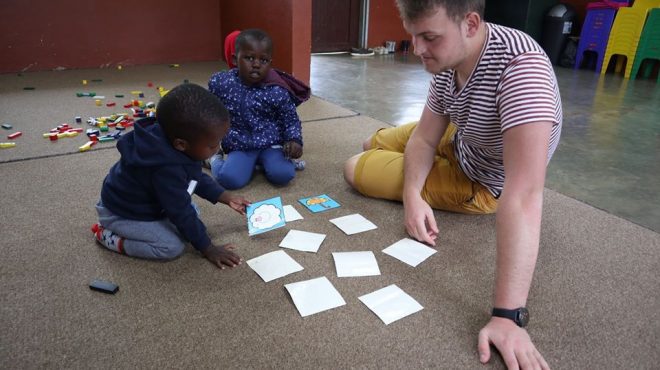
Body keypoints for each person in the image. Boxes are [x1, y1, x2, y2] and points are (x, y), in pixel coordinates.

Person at [344, 1, 561, 369]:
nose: (418, 50)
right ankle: (414, 177)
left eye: (429, 37)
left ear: (471, 24)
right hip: (460, 137)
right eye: (413, 36)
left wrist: (508, 316)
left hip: (481, 179)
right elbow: (425, 139)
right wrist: (413, 197)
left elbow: (523, 196)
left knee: (354, 167)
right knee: (370, 142)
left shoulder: (522, 72)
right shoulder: (447, 61)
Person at [92, 83, 251, 269]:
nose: (218, 148)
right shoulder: (166, 169)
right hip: (123, 214)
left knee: (192, 214)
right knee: (171, 247)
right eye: (212, 145)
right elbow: (180, 211)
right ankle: (108, 236)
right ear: (181, 144)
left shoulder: (175, 140)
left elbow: (194, 177)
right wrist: (208, 248)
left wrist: (225, 196)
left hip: (147, 200)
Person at [208, 28, 310, 190]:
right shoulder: (222, 84)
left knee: (284, 175)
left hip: (271, 144)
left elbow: (290, 119)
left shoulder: (276, 90)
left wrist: (294, 140)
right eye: (249, 58)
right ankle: (215, 160)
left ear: (270, 62)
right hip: (239, 145)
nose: (256, 65)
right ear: (235, 59)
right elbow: (208, 109)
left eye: (263, 60)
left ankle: (264, 164)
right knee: (229, 180)